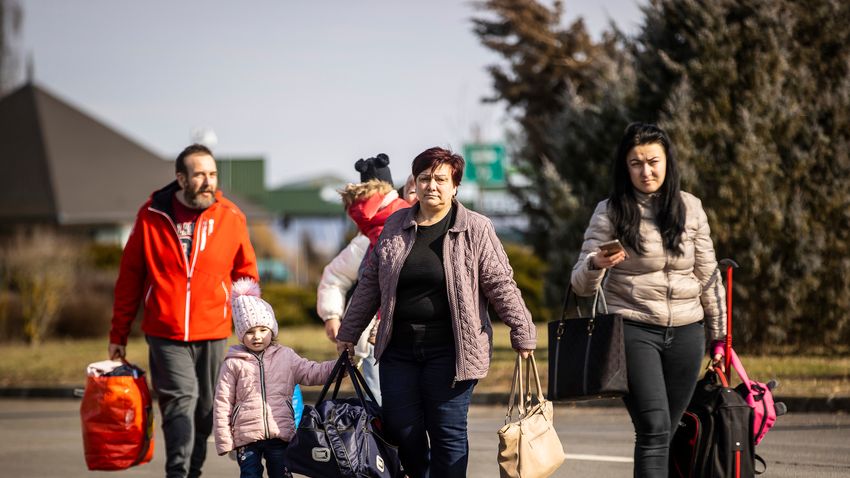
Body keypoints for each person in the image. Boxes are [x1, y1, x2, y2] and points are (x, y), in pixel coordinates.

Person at [336, 146, 537, 478]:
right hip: (398, 350)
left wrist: (522, 330)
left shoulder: (475, 228)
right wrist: (348, 332)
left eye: (441, 179)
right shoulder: (395, 226)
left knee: (447, 434)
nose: (432, 186)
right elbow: (370, 282)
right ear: (415, 183)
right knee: (402, 430)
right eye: (424, 178)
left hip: (452, 352)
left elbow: (500, 283)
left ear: (455, 185)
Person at [569, 122, 726, 477]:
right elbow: (580, 283)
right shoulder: (610, 211)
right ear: (625, 167)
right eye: (636, 163)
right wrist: (595, 264)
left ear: (668, 161)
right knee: (654, 429)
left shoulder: (691, 208)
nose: (646, 171)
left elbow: (708, 274)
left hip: (687, 333)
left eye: (653, 161)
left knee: (667, 433)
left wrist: (720, 337)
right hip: (633, 331)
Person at [108, 144, 259, 478]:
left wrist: (253, 326)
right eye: (200, 174)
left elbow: (245, 275)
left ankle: (192, 470)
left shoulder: (230, 216)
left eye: (213, 174)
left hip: (214, 329)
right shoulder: (150, 216)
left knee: (206, 410)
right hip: (165, 330)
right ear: (180, 178)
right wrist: (118, 334)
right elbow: (130, 278)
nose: (209, 182)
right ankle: (177, 472)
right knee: (180, 401)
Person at [214, 278, 335, 478]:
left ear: (272, 330)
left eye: (263, 329)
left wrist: (336, 368)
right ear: (241, 335)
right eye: (250, 332)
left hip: (280, 432)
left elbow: (311, 371)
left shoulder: (286, 357)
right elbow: (223, 402)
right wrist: (224, 438)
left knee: (281, 474)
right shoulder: (233, 363)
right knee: (250, 475)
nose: (257, 336)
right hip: (247, 437)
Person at [317, 153, 412, 405]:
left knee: (384, 407)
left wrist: (334, 317)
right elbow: (335, 275)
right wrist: (332, 316)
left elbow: (335, 275)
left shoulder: (367, 238)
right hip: (396, 336)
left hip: (376, 336)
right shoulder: (400, 229)